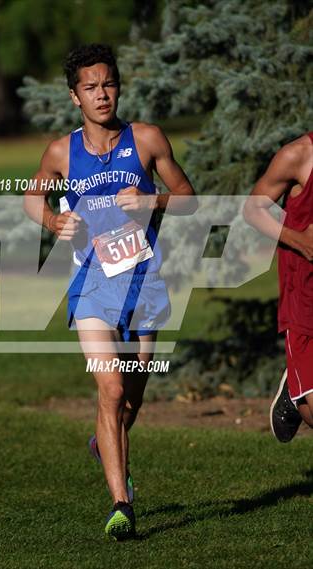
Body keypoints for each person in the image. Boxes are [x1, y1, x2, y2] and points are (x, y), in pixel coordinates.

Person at [24, 43, 195, 540]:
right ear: (74, 96)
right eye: (91, 87)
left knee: (130, 402)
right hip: (92, 286)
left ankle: (106, 443)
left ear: (118, 88)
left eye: (109, 84)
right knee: (112, 389)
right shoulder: (61, 151)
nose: (102, 95)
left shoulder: (147, 139)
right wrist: (53, 220)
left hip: (144, 284)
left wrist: (152, 199)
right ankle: (122, 505)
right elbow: (32, 197)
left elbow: (189, 199)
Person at [244, 132, 313, 443]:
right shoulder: (298, 155)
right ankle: (297, 396)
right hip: (305, 293)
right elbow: (253, 209)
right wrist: (300, 241)